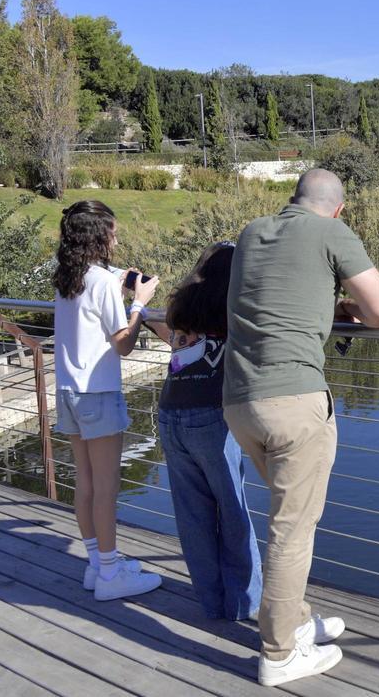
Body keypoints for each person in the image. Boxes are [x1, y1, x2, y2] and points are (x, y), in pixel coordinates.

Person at [223, 168, 379, 687]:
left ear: (293, 199)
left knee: (284, 520)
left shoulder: (253, 232)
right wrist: (348, 307)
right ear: (338, 209)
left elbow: (272, 298)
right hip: (294, 401)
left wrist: (327, 302)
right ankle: (279, 655)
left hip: (239, 401)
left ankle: (295, 622)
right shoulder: (333, 232)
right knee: (292, 531)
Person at [52, 200, 163, 601]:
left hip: (68, 389)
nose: (117, 238)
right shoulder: (100, 283)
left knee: (84, 483)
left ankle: (97, 565)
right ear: (99, 237)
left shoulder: (67, 276)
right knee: (107, 487)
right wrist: (139, 302)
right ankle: (112, 575)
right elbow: (124, 345)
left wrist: (121, 279)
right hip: (98, 393)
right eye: (113, 232)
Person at [146, 242, 262, 621]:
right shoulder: (233, 309)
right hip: (211, 417)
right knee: (233, 512)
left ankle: (212, 603)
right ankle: (245, 605)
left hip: (170, 414)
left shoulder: (183, 305)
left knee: (193, 516)